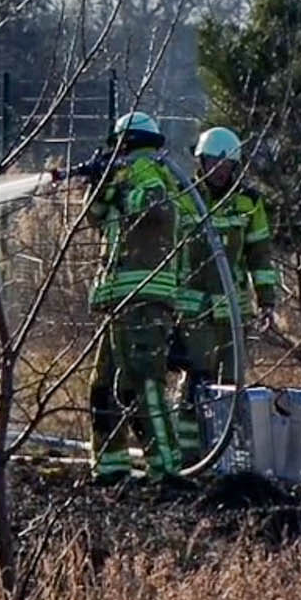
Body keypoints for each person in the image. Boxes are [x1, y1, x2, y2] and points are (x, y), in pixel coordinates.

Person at [52, 112, 201, 480]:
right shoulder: (122, 174)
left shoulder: (149, 169)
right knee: (104, 385)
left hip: (145, 296)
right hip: (120, 299)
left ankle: (166, 469)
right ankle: (111, 467)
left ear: (126, 143)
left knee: (145, 384)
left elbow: (156, 206)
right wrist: (99, 183)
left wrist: (118, 189)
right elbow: (95, 218)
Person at [176, 126, 274, 401]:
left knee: (232, 387)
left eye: (227, 164)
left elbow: (260, 256)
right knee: (196, 384)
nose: (219, 170)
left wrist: (267, 301)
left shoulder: (249, 202)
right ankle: (189, 428)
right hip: (194, 313)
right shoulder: (182, 197)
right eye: (213, 162)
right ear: (201, 161)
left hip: (234, 313)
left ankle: (228, 429)